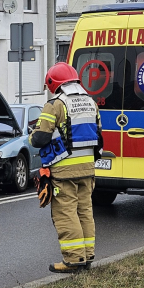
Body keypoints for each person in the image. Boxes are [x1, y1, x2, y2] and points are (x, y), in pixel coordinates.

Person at [29, 63, 103, 273]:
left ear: (53, 83)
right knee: (85, 211)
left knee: (66, 213)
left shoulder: (55, 105)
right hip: (88, 169)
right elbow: (99, 135)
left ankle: (73, 259)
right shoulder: (91, 103)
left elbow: (40, 138)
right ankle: (87, 256)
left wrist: (31, 135)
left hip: (64, 172)